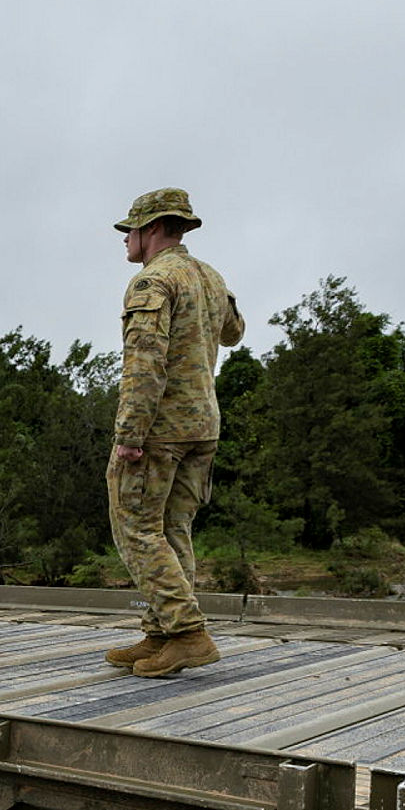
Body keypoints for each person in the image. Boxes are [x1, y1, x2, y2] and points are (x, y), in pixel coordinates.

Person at [102, 187, 244, 679]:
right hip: (204, 425)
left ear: (154, 228)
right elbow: (234, 332)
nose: (125, 241)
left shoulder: (152, 282)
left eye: (130, 231)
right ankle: (161, 632)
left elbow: (145, 362)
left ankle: (187, 633)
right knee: (172, 529)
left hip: (160, 429)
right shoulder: (209, 276)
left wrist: (130, 433)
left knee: (137, 529)